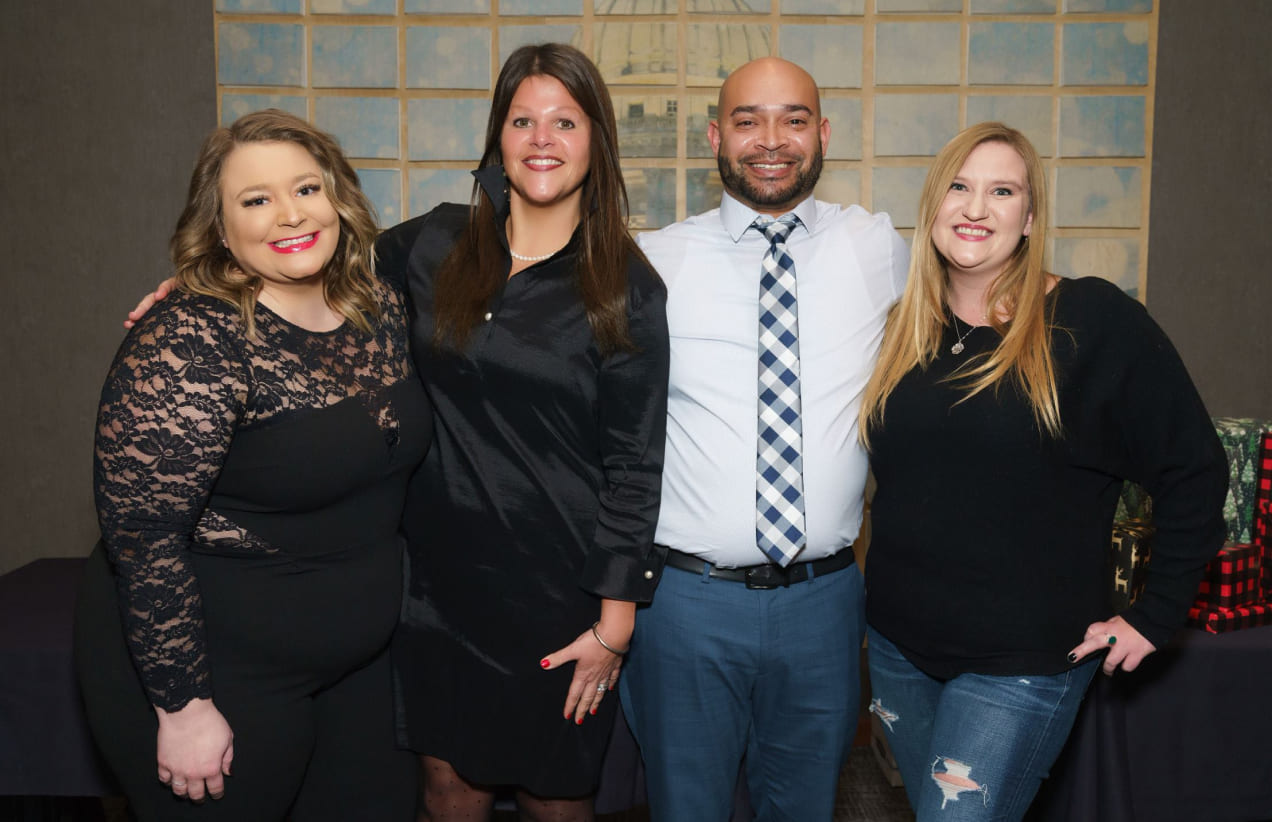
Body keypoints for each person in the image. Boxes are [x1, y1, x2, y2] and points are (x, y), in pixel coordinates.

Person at [859, 122, 1228, 821]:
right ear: (933, 207)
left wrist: (1155, 615)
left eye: (1002, 191)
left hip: (1022, 662)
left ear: (1028, 219)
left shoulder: (1090, 321)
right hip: (898, 650)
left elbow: (1195, 469)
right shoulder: (903, 330)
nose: (976, 208)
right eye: (960, 188)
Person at [75, 110, 430, 821]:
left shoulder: (378, 304)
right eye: (256, 199)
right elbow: (142, 538)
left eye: (306, 188)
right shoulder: (190, 340)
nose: (289, 214)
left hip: (355, 666)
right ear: (221, 225)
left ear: (339, 199)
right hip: (219, 671)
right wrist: (181, 708)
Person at [374, 44, 669, 820]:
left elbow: (636, 466)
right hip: (436, 589)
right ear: (498, 141)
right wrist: (211, 285)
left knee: (558, 799)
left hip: (557, 598)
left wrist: (613, 628)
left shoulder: (626, 287)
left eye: (565, 121)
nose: (542, 138)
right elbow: (307, 272)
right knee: (447, 789)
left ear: (596, 143)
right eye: (523, 119)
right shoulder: (426, 247)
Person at [619, 57, 910, 821]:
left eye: (794, 119)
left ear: (823, 134)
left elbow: (987, 290)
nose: (771, 140)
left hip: (825, 601)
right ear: (717, 135)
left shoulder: (877, 248)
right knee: (686, 808)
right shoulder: (654, 260)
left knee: (810, 808)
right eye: (748, 120)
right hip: (685, 604)